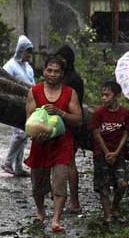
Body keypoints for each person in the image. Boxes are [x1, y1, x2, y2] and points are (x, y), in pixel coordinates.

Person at [25, 55, 83, 233]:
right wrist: (36, 135)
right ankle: (41, 212)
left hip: (62, 143)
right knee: (38, 184)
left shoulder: (69, 93)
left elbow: (79, 119)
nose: (52, 74)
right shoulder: (34, 91)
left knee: (60, 181)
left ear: (62, 74)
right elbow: (29, 120)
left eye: (56, 71)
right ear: (43, 71)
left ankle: (56, 219)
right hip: (40, 143)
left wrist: (60, 112)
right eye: (49, 70)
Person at [91, 81, 129, 226]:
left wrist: (116, 152)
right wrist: (108, 153)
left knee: (122, 183)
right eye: (102, 95)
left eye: (107, 95)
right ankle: (107, 216)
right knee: (104, 185)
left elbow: (126, 133)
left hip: (118, 154)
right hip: (101, 154)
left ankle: (115, 208)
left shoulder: (124, 113)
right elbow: (97, 134)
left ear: (117, 96)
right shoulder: (98, 113)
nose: (104, 98)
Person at [0, 35, 35, 177]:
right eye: (27, 51)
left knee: (24, 134)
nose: (29, 55)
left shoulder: (28, 67)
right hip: (15, 103)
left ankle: (18, 167)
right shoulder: (9, 66)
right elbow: (3, 82)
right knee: (20, 134)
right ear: (21, 50)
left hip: (29, 104)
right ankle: (8, 162)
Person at [55, 45, 84, 213]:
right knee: (63, 164)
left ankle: (73, 202)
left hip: (68, 123)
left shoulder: (71, 79)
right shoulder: (69, 77)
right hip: (64, 123)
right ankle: (69, 201)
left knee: (69, 164)